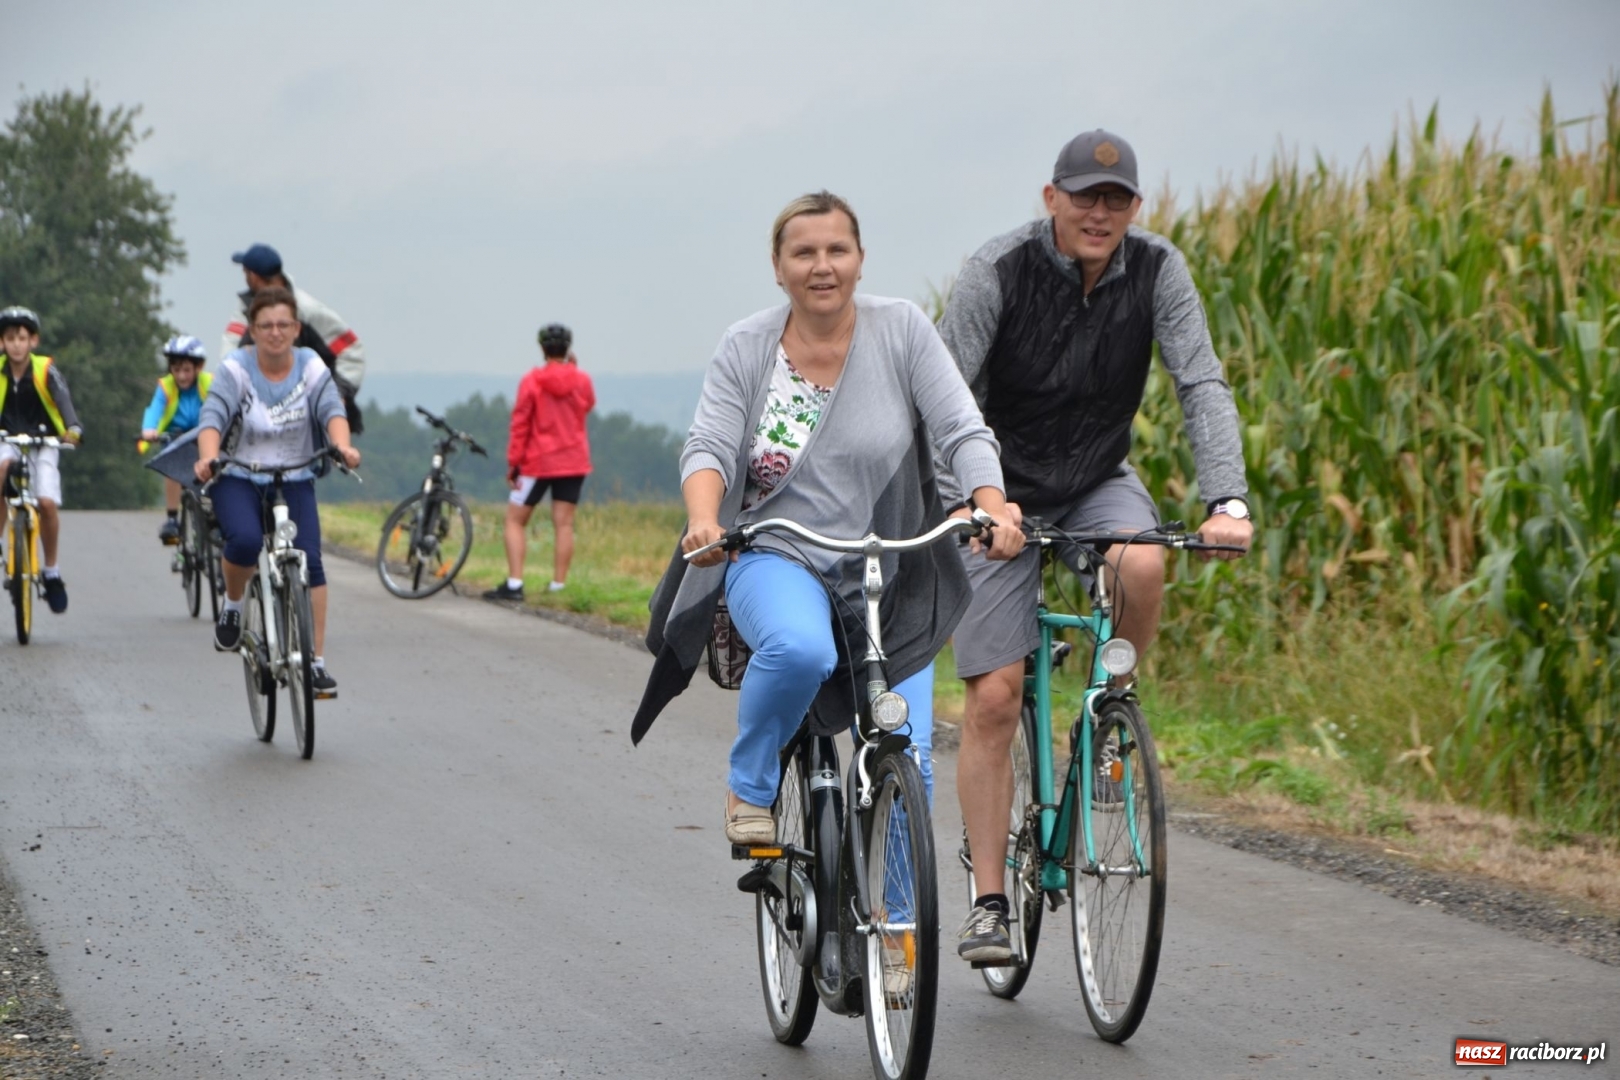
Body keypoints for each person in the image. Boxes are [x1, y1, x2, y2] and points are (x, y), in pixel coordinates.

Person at [939, 129, 1254, 963]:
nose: (1099, 212)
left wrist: (1226, 498)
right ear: (1051, 198)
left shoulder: (1158, 270)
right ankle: (990, 903)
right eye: (1084, 195)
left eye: (1115, 199)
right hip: (992, 488)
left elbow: (1201, 382)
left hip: (1092, 479)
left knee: (1143, 560)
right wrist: (983, 500)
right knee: (996, 700)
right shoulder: (996, 271)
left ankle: (1110, 716)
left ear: (1135, 209)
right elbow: (944, 396)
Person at [629, 191, 1024, 846]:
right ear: (778, 267)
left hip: (892, 567)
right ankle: (750, 786)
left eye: (836, 249)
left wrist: (991, 503)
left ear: (860, 260)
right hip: (777, 554)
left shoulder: (901, 329)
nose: (822, 265)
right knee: (800, 650)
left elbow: (961, 428)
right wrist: (703, 521)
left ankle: (897, 939)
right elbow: (710, 448)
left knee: (910, 758)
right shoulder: (748, 346)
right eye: (803, 252)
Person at [194, 287, 361, 694]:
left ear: (296, 329)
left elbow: (330, 408)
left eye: (283, 324)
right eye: (265, 325)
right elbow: (213, 414)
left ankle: (315, 663)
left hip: (295, 475)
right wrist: (208, 457)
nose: (274, 333)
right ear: (253, 330)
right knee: (246, 541)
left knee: (312, 563)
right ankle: (234, 608)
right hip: (239, 474)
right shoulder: (236, 367)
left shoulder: (309, 365)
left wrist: (342, 446)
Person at [482, 324, 596, 601]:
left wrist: (514, 462)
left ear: (542, 348)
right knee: (564, 524)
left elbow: (520, 423)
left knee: (514, 520)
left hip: (538, 461)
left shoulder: (532, 380)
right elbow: (588, 405)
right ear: (568, 348)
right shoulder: (581, 379)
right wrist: (573, 370)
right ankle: (558, 585)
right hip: (573, 460)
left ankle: (515, 583)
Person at [221, 243, 367, 434]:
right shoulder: (244, 310)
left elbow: (351, 350)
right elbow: (230, 357)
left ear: (253, 277)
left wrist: (337, 395)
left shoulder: (307, 311)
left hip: (312, 419)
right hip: (256, 418)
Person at [0, 305, 83, 614]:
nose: (16, 344)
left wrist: (72, 428)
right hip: (6, 439)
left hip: (44, 441)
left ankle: (51, 570)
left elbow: (63, 399)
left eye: (22, 337)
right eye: (10, 338)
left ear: (33, 341)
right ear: (2, 343)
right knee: (1, 469)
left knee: (46, 502)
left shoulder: (46, 369)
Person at [139, 335, 213, 545]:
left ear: (198, 368)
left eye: (187, 370)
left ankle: (214, 515)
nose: (181, 375)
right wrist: (149, 429)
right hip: (175, 437)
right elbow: (155, 409)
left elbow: (220, 407)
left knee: (214, 468)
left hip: (203, 435)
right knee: (171, 466)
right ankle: (172, 519)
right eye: (176, 369)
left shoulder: (208, 383)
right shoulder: (165, 386)